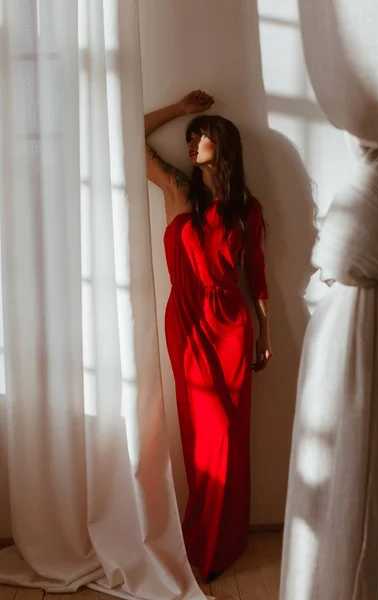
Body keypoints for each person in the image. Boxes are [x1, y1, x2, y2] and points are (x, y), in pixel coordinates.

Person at [144, 90, 272, 582]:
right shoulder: (179, 189)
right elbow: (127, 133)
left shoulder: (246, 207)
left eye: (202, 134)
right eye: (190, 137)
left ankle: (223, 543)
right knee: (201, 438)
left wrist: (265, 330)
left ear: (226, 143)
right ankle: (203, 538)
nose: (193, 141)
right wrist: (179, 109)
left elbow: (255, 274)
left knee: (226, 438)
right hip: (187, 322)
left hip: (231, 327)